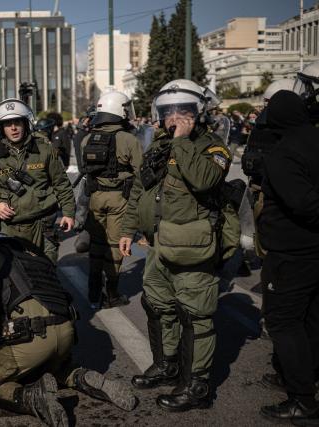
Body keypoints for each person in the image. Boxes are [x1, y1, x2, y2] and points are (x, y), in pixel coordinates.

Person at [119, 79, 231, 411]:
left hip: (191, 247)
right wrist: (128, 229)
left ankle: (195, 387)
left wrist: (181, 142)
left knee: (195, 315)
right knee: (157, 303)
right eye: (169, 111)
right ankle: (167, 365)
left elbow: (204, 179)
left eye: (183, 110)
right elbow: (140, 189)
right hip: (157, 245)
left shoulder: (214, 148)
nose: (175, 117)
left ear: (200, 111)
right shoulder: (158, 146)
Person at [0, 232, 137, 427]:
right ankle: (82, 377)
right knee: (50, 367)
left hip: (30, 340)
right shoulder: (37, 259)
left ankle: (32, 398)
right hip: (66, 333)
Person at [257, 89, 319, 424]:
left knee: (283, 322)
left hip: (291, 253)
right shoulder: (314, 139)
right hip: (311, 251)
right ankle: (300, 377)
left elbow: (303, 204)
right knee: (311, 318)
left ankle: (302, 400)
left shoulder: (283, 153)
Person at [0, 99, 75, 262]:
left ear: (25, 123)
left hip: (44, 226)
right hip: (12, 228)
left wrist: (69, 213)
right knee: (19, 278)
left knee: (48, 274)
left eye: (17, 122)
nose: (13, 128)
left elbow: (61, 183)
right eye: (8, 124)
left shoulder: (44, 149)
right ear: (1, 128)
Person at [80, 90, 142, 309]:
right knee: (115, 246)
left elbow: (84, 169)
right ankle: (112, 294)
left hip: (95, 197)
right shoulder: (129, 139)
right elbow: (141, 172)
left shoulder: (88, 138)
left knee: (97, 243)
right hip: (120, 198)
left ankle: (93, 289)